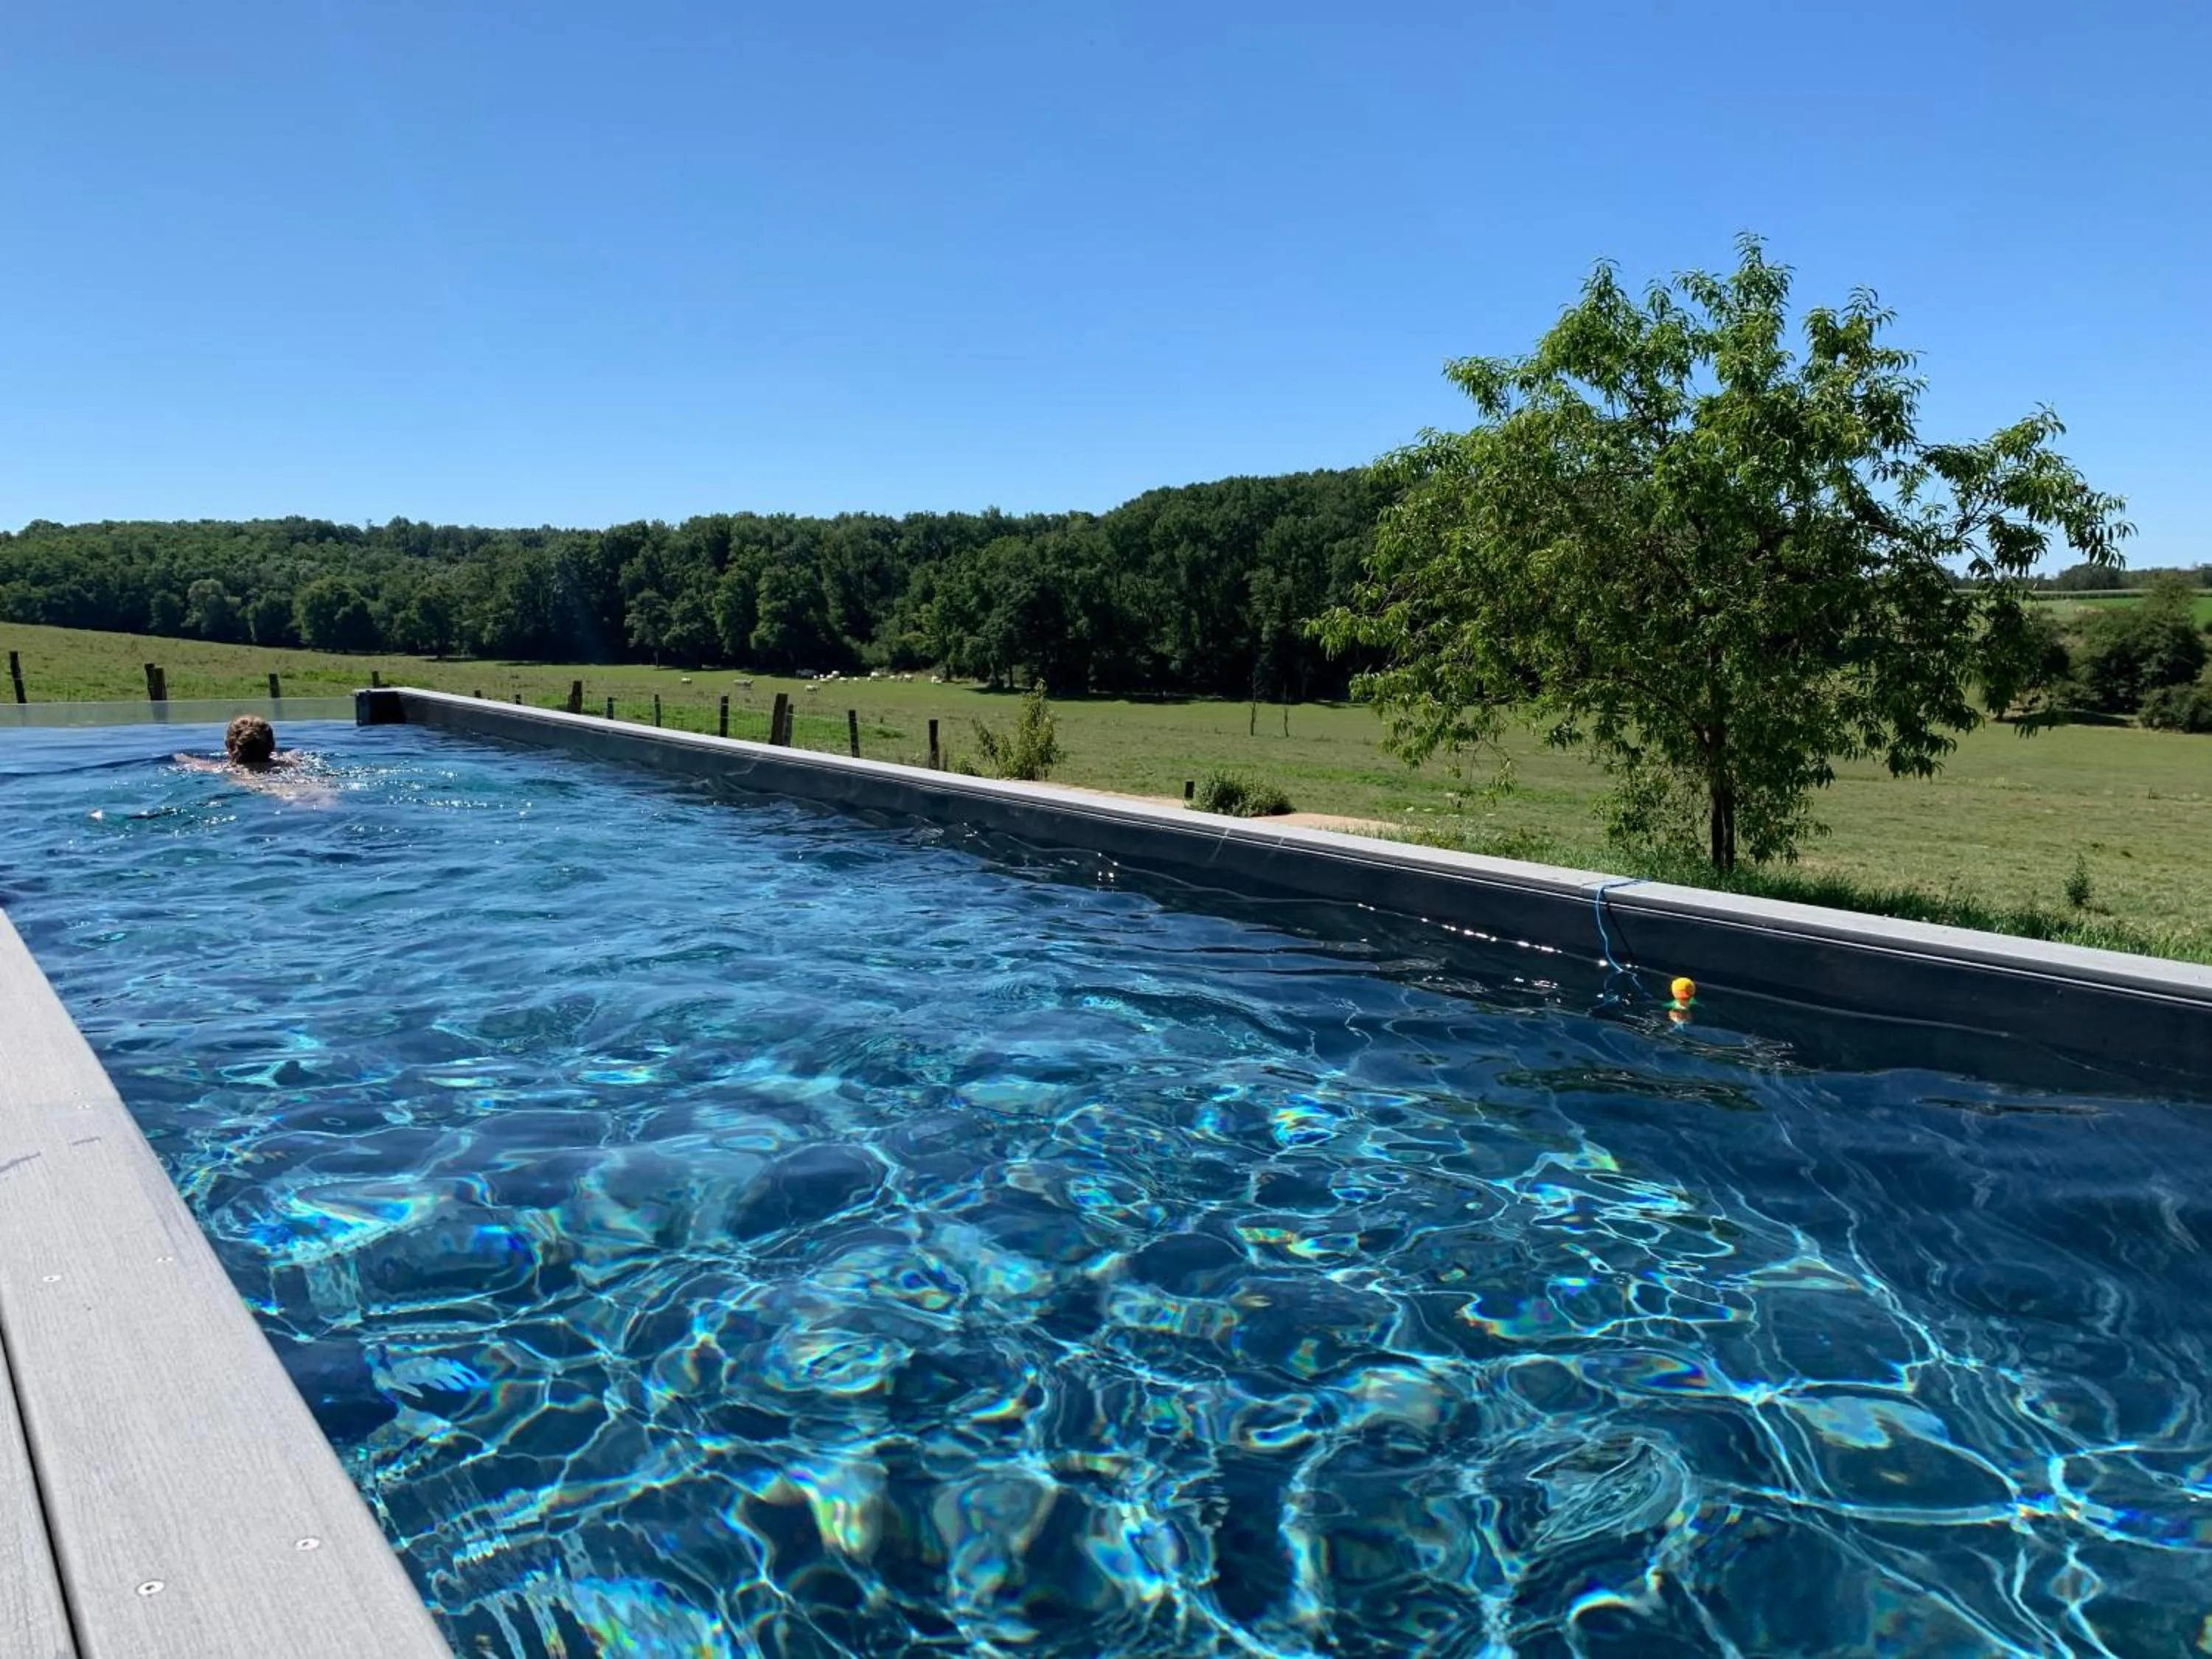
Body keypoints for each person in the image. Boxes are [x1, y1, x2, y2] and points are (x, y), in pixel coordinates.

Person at [176, 714, 295, 773]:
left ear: (228, 744)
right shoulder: (288, 763)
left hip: (253, 783)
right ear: (273, 745)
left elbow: (182, 758)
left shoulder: (219, 768)